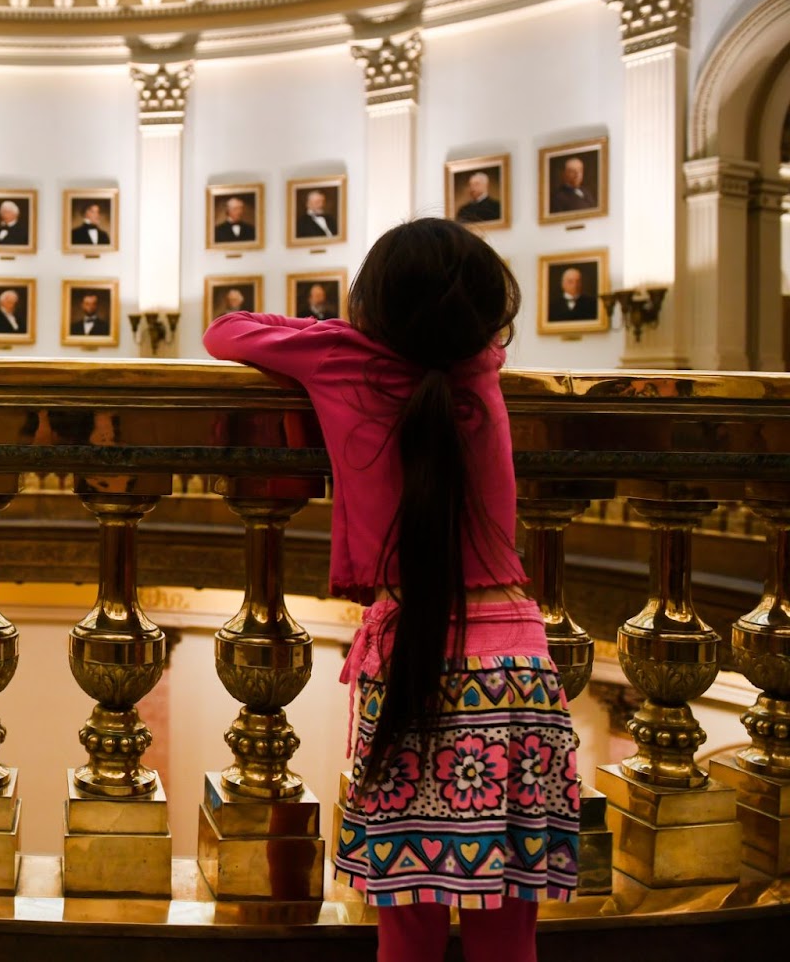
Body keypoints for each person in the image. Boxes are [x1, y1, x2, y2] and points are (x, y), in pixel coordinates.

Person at [204, 218, 578, 962]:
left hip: (414, 661)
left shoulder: (343, 358)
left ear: (370, 306)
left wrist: (335, 329)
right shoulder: (482, 363)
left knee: (406, 926)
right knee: (510, 934)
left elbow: (226, 333)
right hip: (521, 670)